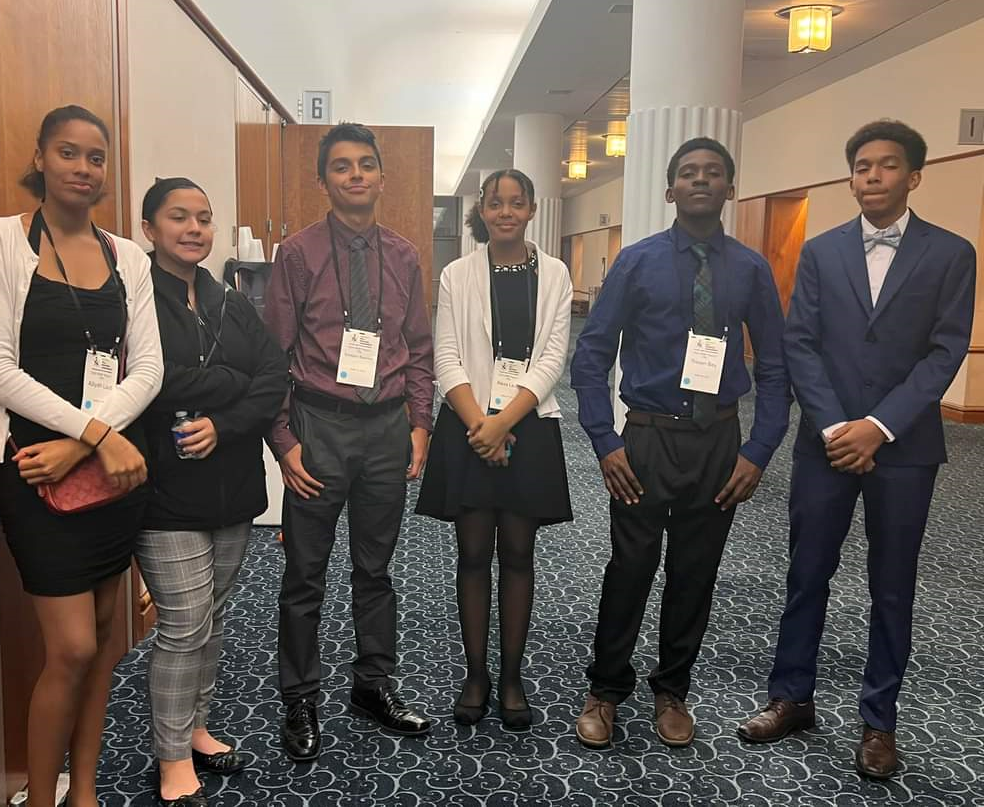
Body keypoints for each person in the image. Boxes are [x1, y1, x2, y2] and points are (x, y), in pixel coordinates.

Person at [738, 120, 976, 780]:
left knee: (890, 586)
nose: (870, 175)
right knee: (805, 571)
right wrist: (836, 427)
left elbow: (945, 350)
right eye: (861, 166)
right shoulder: (819, 251)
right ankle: (790, 696)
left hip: (904, 449)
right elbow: (800, 343)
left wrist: (879, 425)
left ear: (913, 176)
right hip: (826, 444)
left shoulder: (951, 252)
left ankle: (879, 720)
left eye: (885, 165)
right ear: (850, 177)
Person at [0, 105, 162, 807]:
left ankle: (84, 792)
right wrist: (98, 435)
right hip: (33, 471)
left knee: (107, 643)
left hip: (109, 473)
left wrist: (92, 439)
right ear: (40, 158)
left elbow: (148, 370)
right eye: (69, 153)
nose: (84, 168)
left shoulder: (128, 257)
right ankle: (44, 798)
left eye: (96, 157)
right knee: (72, 647)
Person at [570, 137, 791, 750]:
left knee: (696, 573)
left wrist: (759, 450)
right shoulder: (637, 262)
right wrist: (604, 441)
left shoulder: (750, 269)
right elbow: (590, 357)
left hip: (720, 443)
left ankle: (673, 690)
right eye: (688, 173)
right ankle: (606, 690)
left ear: (729, 187)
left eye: (713, 173)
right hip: (645, 442)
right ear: (670, 190)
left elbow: (776, 368)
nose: (700, 180)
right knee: (630, 570)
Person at [265, 123, 435, 761]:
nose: (356, 175)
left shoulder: (405, 256)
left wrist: (421, 425)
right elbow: (273, 355)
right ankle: (299, 697)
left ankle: (373, 684)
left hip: (386, 428)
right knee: (304, 573)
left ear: (381, 176)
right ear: (324, 181)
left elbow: (418, 350)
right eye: (342, 166)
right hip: (319, 427)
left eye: (366, 164)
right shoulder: (298, 254)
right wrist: (284, 443)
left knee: (376, 570)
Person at [136, 178, 288, 806]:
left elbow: (273, 373)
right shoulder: (133, 298)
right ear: (149, 229)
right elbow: (146, 379)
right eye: (179, 217)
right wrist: (227, 378)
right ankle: (171, 757)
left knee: (213, 617)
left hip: (230, 483)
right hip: (164, 486)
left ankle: (194, 727)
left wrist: (221, 417)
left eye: (203, 218)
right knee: (183, 624)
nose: (195, 228)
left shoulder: (230, 300)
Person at [416, 169, 574, 730]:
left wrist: (503, 421)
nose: (505, 212)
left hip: (528, 425)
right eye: (495, 203)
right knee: (473, 554)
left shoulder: (554, 274)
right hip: (467, 423)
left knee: (519, 555)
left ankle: (511, 676)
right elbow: (446, 357)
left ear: (532, 209)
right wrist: (480, 425)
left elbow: (554, 357)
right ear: (480, 211)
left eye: (516, 203)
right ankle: (476, 673)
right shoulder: (458, 274)